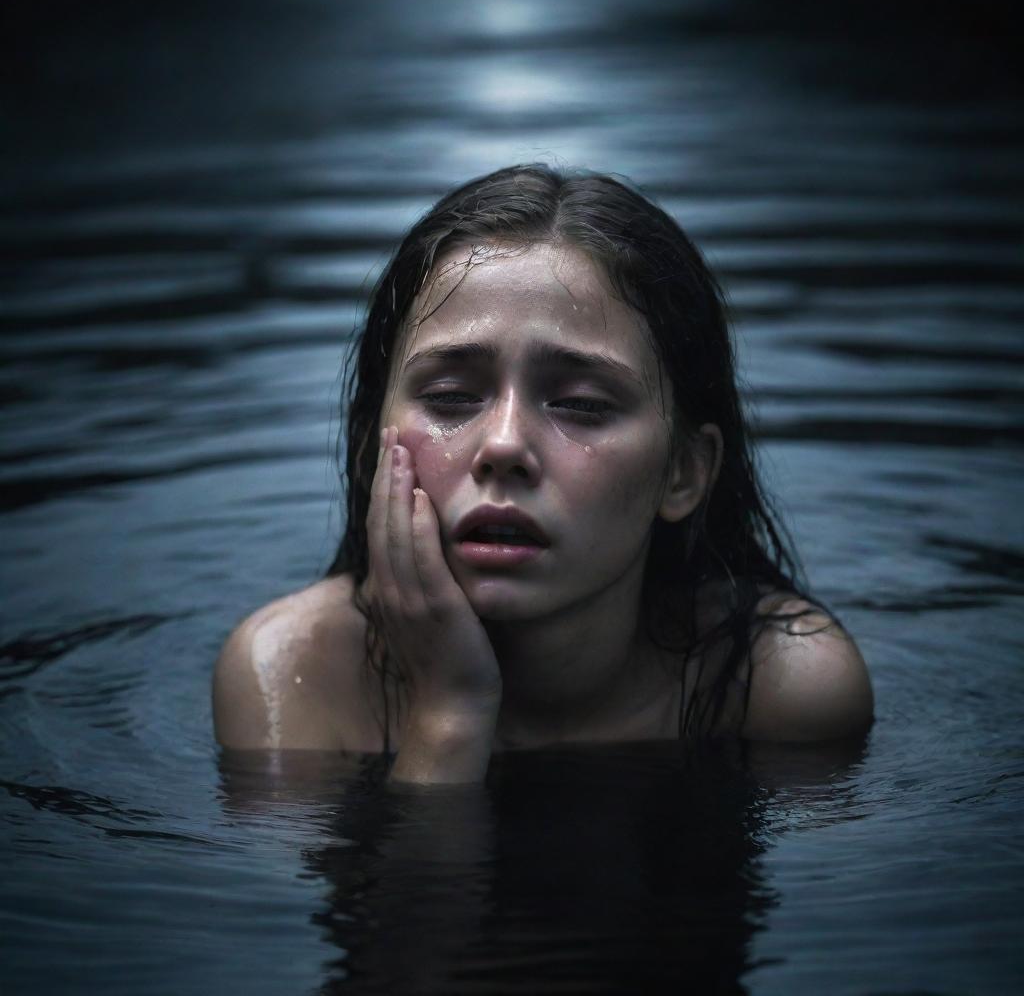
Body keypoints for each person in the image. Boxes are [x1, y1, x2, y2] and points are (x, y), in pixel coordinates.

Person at [212, 164, 873, 783]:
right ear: (369, 449)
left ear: (684, 474)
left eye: (582, 405)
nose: (503, 445)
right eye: (449, 398)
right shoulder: (293, 677)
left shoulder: (780, 687)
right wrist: (449, 712)